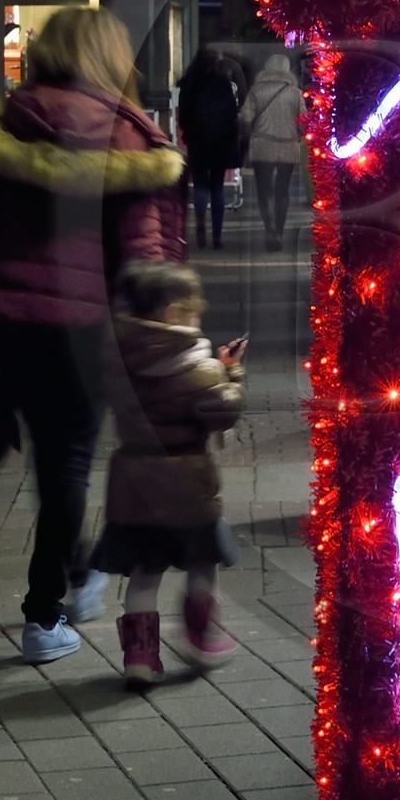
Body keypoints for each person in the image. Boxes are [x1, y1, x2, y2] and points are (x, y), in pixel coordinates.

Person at [0, 7, 185, 664]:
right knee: (70, 458)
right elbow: (143, 254)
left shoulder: (9, 123)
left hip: (7, 319)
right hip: (85, 324)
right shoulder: (124, 131)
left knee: (52, 457)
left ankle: (79, 575)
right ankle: (44, 611)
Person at [92, 260, 244, 686]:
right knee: (201, 562)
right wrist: (231, 371)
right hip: (187, 484)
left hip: (133, 483)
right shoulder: (198, 370)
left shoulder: (118, 358)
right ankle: (201, 636)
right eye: (193, 308)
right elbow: (223, 410)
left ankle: (139, 657)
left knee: (145, 571)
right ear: (174, 312)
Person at [177, 45, 245, 251]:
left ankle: (199, 225)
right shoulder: (222, 82)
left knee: (199, 185)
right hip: (220, 141)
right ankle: (216, 236)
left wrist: (188, 133)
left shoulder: (189, 84)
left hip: (197, 141)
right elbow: (232, 114)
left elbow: (183, 116)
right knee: (216, 187)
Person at [239, 48, 305, 252]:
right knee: (282, 191)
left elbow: (245, 119)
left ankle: (269, 229)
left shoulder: (256, 91)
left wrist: (248, 139)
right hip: (288, 146)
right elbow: (304, 123)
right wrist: (297, 135)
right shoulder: (295, 93)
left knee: (264, 191)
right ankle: (280, 231)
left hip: (262, 146)